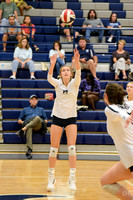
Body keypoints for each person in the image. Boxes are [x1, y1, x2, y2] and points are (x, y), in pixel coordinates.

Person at [47, 49, 81, 191]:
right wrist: (53, 64)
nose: (66, 72)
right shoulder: (57, 84)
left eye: (68, 70)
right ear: (60, 74)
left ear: (71, 74)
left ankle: (72, 178)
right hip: (57, 118)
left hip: (71, 119)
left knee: (72, 149)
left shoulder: (75, 84)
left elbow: (78, 72)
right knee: (53, 149)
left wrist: (77, 61)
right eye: (63, 71)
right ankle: (51, 178)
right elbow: (49, 78)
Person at [101, 82, 133, 200]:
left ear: (106, 96)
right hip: (127, 159)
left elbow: (116, 112)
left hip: (131, 156)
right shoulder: (128, 104)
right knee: (106, 181)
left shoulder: (110, 109)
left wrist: (126, 117)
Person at [17, 94, 47, 159]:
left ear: (37, 101)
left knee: (37, 118)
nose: (34, 101)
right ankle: (29, 149)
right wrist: (24, 122)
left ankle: (23, 129)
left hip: (38, 125)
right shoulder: (25, 109)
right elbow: (19, 120)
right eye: (32, 99)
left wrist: (42, 121)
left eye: (35, 100)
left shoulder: (41, 109)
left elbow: (46, 120)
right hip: (28, 123)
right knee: (29, 127)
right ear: (29, 101)